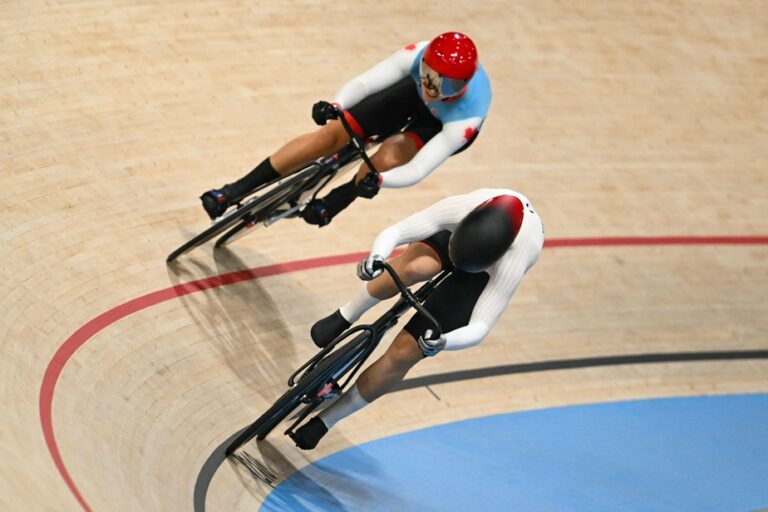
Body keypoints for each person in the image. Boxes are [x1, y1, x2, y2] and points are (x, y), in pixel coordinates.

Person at [290, 188, 545, 449]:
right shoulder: (462, 206)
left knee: (404, 354)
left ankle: (326, 421)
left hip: (481, 276)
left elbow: (481, 326)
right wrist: (376, 257)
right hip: (456, 238)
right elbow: (398, 232)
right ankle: (346, 314)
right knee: (414, 267)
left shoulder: (515, 259)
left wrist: (445, 341)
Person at [200, 32, 492, 226]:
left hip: (439, 122)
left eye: (447, 85)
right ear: (424, 61)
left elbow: (418, 170)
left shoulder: (466, 119)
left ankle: (340, 198)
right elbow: (366, 83)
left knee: (390, 156)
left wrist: (380, 182)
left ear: (463, 86)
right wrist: (335, 104)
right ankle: (235, 190)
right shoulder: (416, 54)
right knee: (331, 134)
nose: (433, 87)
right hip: (408, 94)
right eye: (428, 75)